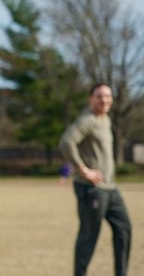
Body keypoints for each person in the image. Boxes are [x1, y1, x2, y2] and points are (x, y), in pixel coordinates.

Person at [59, 83, 132, 276]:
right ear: (90, 98)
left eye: (108, 96)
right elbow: (66, 142)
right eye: (99, 96)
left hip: (110, 188)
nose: (104, 100)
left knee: (124, 230)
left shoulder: (105, 120)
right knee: (89, 237)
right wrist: (83, 170)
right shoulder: (87, 120)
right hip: (92, 189)